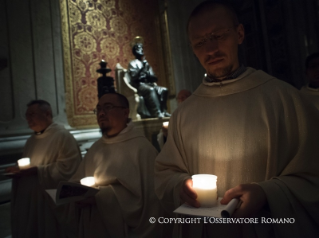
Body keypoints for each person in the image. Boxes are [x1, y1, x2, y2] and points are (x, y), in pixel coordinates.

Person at [155, 2, 319, 238]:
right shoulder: (183, 114)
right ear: (192, 49)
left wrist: (267, 194)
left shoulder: (285, 99)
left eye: (219, 35)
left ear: (239, 34)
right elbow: (165, 174)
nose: (211, 49)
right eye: (200, 42)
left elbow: (313, 176)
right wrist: (179, 186)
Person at [64, 93, 165, 238]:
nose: (101, 113)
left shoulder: (142, 149)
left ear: (125, 112)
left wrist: (99, 198)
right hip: (93, 226)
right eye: (98, 109)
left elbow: (150, 203)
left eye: (108, 107)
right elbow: (77, 180)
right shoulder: (96, 148)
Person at [6, 100, 81, 238]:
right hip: (29, 200)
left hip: (47, 202)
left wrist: (38, 171)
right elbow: (28, 165)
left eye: (32, 114)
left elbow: (69, 168)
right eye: (27, 115)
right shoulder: (31, 140)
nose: (28, 119)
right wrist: (18, 171)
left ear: (47, 114)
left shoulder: (62, 136)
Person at [128, 43, 170, 118]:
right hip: (139, 85)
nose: (141, 50)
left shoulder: (146, 64)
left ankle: (164, 111)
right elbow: (134, 77)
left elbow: (154, 78)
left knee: (164, 90)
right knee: (150, 90)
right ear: (135, 51)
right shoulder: (132, 63)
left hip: (149, 83)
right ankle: (157, 113)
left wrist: (148, 73)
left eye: (141, 48)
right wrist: (142, 68)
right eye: (138, 48)